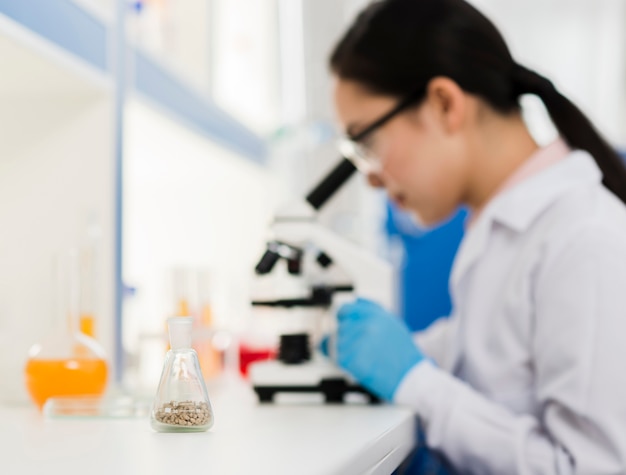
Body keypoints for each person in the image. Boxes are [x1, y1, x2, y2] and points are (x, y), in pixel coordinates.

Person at [327, 0, 626, 473]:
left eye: (368, 142)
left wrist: (416, 382)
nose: (371, 177)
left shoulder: (582, 239)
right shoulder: (500, 232)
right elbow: (495, 363)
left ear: (445, 103)